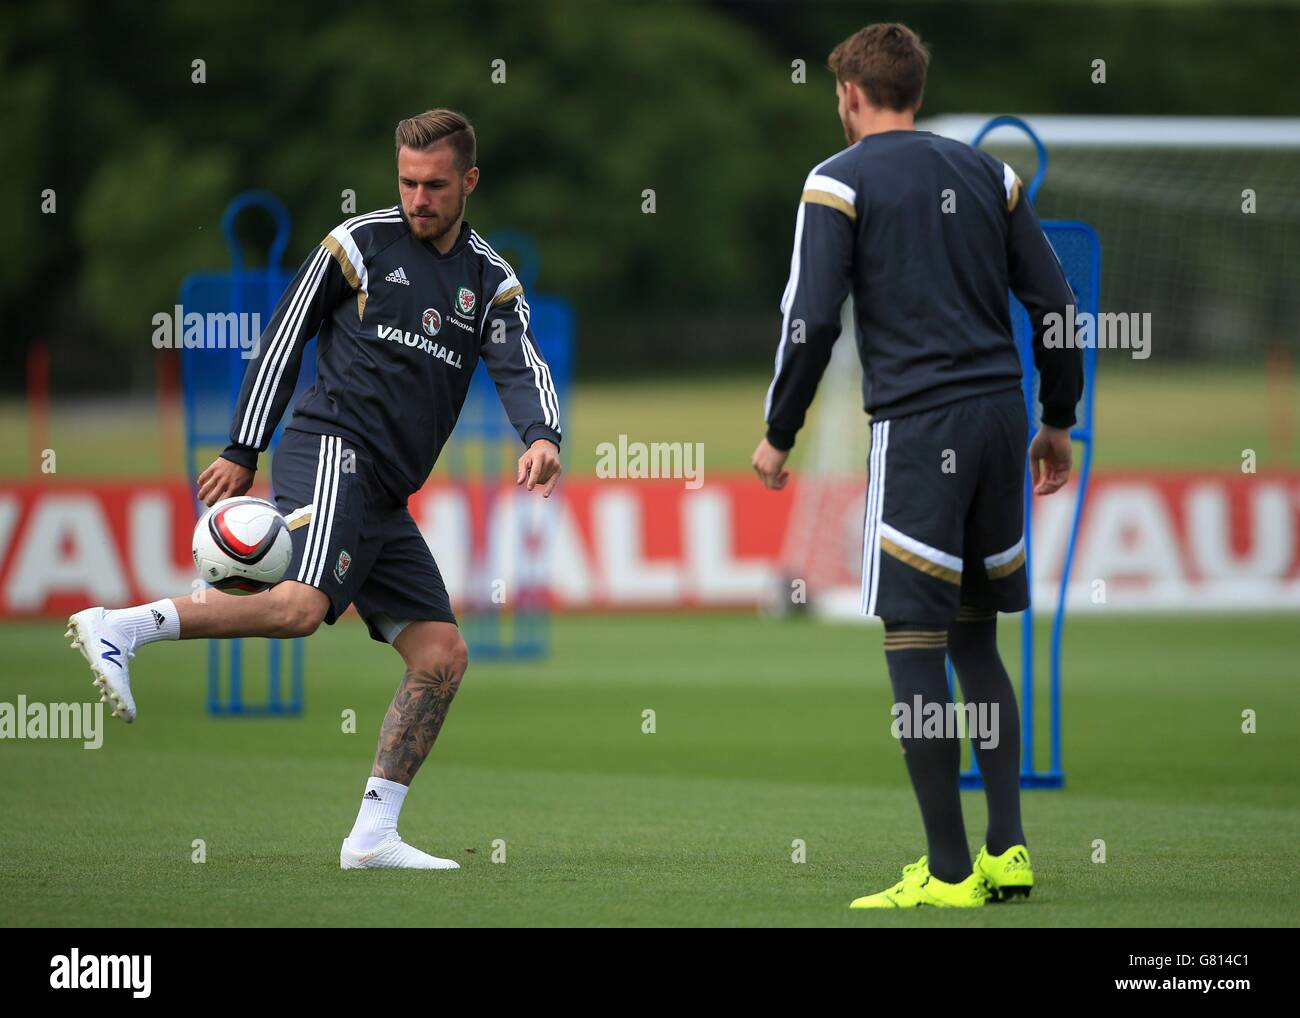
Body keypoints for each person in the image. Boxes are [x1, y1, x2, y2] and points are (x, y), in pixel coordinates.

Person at [66, 109, 562, 871]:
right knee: (301, 609)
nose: (417, 197)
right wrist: (242, 446)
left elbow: (519, 363)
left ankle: (373, 836)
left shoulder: (489, 281)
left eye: (434, 184)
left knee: (441, 654)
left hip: (387, 493)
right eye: (406, 181)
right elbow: (282, 337)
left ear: (469, 181)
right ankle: (123, 626)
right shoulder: (359, 244)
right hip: (332, 445)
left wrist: (541, 437)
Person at [752, 24, 1082, 907]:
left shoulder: (836, 179)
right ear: (919, 94)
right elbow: (1054, 300)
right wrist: (1060, 419)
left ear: (851, 96)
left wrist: (779, 431)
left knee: (912, 640)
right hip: (1004, 417)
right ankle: (1008, 849)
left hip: (920, 424)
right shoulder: (991, 175)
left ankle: (945, 871)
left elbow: (812, 319)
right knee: (978, 636)